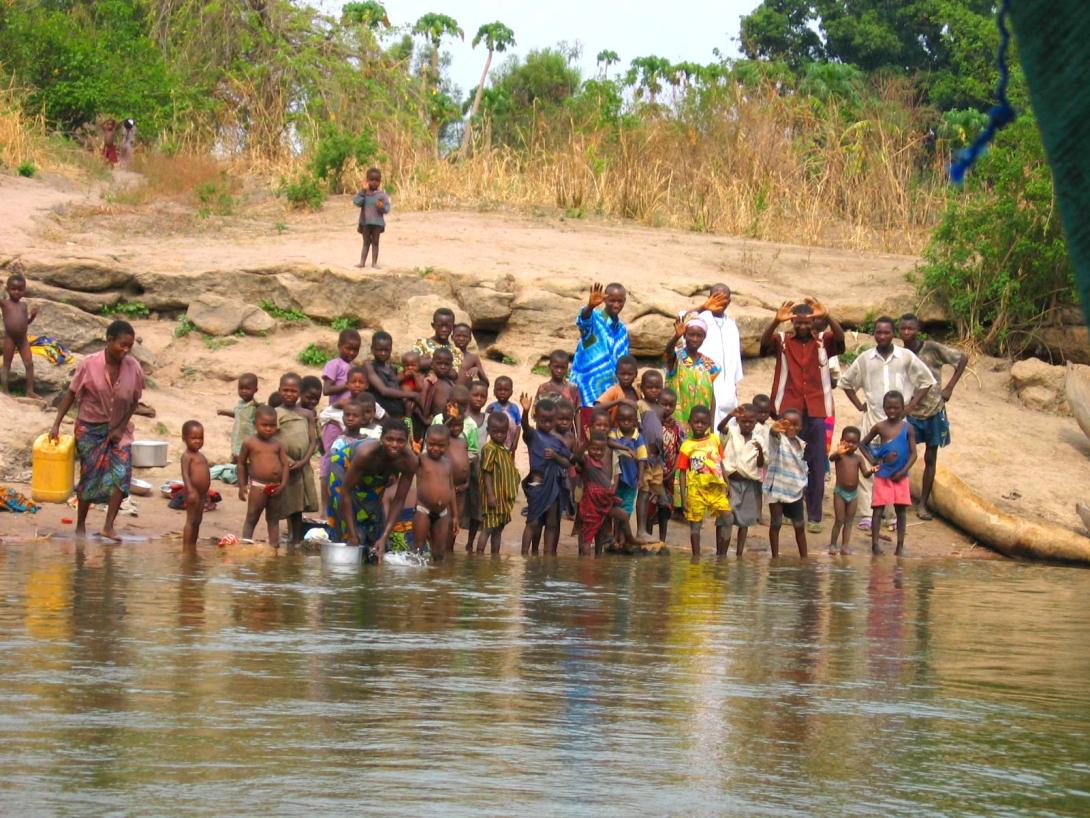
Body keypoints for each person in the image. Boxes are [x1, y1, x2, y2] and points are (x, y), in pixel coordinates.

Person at [49, 319, 144, 541]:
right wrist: (56, 423)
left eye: (129, 346)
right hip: (90, 428)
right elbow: (71, 394)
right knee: (89, 478)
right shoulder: (89, 363)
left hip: (119, 429)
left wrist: (120, 428)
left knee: (122, 474)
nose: (126, 349)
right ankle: (80, 525)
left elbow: (134, 402)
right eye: (122, 344)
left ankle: (108, 526)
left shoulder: (134, 367)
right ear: (109, 340)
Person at [839, 316, 935, 527]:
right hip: (872, 418)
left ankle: (891, 514)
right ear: (874, 334)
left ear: (893, 334)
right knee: (868, 464)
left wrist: (910, 406)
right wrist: (859, 405)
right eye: (878, 332)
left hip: (898, 425)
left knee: (894, 465)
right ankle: (867, 513)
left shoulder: (906, 357)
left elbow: (926, 381)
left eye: (886, 332)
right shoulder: (865, 358)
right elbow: (846, 382)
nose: (882, 336)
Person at [761, 298, 845, 532]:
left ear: (813, 322)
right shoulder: (783, 341)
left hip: (817, 410)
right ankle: (788, 510)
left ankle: (815, 516)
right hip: (789, 408)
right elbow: (763, 344)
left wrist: (828, 316)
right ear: (793, 323)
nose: (802, 327)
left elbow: (840, 339)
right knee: (785, 459)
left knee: (816, 462)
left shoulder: (823, 342)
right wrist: (775, 321)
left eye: (807, 322)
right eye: (798, 323)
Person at [899, 313, 968, 519]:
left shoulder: (931, 348)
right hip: (910, 411)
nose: (906, 333)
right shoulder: (901, 354)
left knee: (931, 457)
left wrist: (950, 387)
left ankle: (923, 504)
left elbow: (962, 358)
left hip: (934, 409)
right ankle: (898, 499)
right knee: (901, 454)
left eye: (910, 329)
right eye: (903, 329)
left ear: (918, 329)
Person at [333, 419, 419, 557]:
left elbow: (399, 500)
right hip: (345, 465)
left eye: (400, 441)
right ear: (381, 439)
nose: (394, 445)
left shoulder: (410, 462)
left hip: (375, 475)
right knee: (346, 527)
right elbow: (346, 491)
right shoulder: (366, 453)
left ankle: (370, 547)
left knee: (373, 520)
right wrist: (351, 534)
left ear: (407, 441)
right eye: (389, 439)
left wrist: (384, 536)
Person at [860, 391, 917, 556]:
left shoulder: (908, 428)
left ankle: (900, 545)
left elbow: (914, 454)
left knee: (901, 511)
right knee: (878, 510)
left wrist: (903, 471)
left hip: (901, 476)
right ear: (884, 408)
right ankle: (875, 545)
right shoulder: (880, 427)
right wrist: (873, 460)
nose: (892, 411)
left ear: (902, 408)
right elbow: (863, 444)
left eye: (896, 408)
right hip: (883, 475)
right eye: (888, 408)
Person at [678, 284, 742, 427]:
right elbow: (682, 319)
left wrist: (734, 389)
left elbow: (735, 360)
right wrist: (703, 307)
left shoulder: (732, 325)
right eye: (715, 297)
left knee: (726, 434)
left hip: (728, 391)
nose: (719, 301)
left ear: (729, 301)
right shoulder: (700, 319)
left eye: (723, 299)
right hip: (703, 386)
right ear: (709, 298)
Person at [519, 394, 573, 556]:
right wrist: (525, 411)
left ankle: (548, 556)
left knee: (551, 522)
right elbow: (525, 426)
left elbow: (567, 463)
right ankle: (524, 554)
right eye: (543, 420)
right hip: (537, 484)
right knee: (533, 521)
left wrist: (556, 457)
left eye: (551, 420)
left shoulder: (557, 442)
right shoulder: (533, 436)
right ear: (536, 417)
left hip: (554, 486)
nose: (547, 424)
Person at [677, 405, 731, 556]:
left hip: (716, 488)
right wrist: (683, 497)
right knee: (695, 525)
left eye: (703, 423)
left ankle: (722, 556)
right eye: (696, 422)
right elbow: (682, 473)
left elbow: (720, 462)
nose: (699, 425)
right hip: (696, 490)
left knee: (728, 517)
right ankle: (696, 558)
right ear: (690, 423)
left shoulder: (714, 439)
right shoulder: (686, 446)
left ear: (708, 424)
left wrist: (727, 482)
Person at [571, 282, 630, 415]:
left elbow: (625, 361)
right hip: (586, 389)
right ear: (605, 300)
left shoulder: (622, 330)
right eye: (612, 300)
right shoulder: (595, 319)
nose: (616, 305)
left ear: (624, 301)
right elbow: (583, 321)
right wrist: (590, 306)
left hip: (609, 395)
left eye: (620, 301)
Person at [577, 431, 639, 555]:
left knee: (623, 516)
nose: (598, 452)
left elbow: (607, 484)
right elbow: (577, 457)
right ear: (589, 448)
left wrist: (613, 497)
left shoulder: (603, 462)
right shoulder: (587, 461)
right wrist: (585, 443)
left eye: (601, 450)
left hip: (604, 501)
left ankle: (630, 539)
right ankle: (585, 564)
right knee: (587, 537)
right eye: (594, 449)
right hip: (591, 505)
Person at [275, 373, 319, 545]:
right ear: (279, 391)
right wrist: (285, 458)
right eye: (285, 390)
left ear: (300, 393)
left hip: (302, 465)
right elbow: (272, 439)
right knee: (287, 502)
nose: (289, 394)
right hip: (284, 465)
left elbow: (313, 440)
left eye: (293, 391)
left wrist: (304, 461)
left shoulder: (307, 414)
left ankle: (296, 539)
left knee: (299, 505)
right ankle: (284, 538)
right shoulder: (276, 413)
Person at [238, 405, 290, 546]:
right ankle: (246, 544)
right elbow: (241, 463)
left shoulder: (277, 444)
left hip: (276, 487)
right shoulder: (250, 443)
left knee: (273, 519)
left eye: (272, 425)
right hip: (258, 486)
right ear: (255, 424)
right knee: (252, 516)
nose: (268, 429)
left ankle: (274, 548)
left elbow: (285, 465)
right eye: (264, 425)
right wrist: (242, 485)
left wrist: (283, 484)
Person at [764, 408, 809, 558]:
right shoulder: (778, 440)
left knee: (799, 525)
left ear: (801, 426)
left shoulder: (801, 444)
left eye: (796, 425)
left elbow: (802, 466)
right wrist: (774, 430)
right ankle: (775, 557)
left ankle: (804, 557)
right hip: (777, 488)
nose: (792, 428)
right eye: (787, 424)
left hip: (795, 489)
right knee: (776, 523)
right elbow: (773, 434)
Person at [721, 404, 764, 557]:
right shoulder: (732, 432)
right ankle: (722, 554)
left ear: (755, 423)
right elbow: (721, 428)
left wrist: (760, 453)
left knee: (744, 522)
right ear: (738, 421)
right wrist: (730, 415)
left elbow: (760, 464)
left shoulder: (759, 439)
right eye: (744, 421)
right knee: (727, 517)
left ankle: (739, 553)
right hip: (731, 482)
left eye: (750, 422)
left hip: (748, 483)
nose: (747, 424)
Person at [666, 315, 721, 428]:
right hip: (677, 424)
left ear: (704, 338)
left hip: (701, 425)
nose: (695, 339)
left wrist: (711, 427)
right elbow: (668, 352)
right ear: (685, 335)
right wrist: (676, 337)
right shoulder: (677, 358)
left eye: (699, 335)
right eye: (691, 335)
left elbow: (711, 397)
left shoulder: (709, 364)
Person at [828, 426, 875, 555]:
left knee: (849, 521)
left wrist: (872, 470)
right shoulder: (840, 456)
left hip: (853, 494)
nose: (850, 444)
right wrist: (839, 452)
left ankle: (845, 546)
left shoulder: (858, 459)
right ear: (842, 441)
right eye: (847, 441)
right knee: (839, 520)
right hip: (840, 493)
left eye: (854, 442)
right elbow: (831, 458)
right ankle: (833, 544)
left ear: (858, 444)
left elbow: (865, 474)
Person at [414, 425, 459, 559]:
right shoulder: (421, 459)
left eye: (441, 445)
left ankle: (436, 578)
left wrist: (455, 516)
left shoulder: (448, 463)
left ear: (447, 445)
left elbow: (451, 489)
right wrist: (413, 452)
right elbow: (408, 464)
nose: (436, 448)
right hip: (423, 509)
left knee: (439, 553)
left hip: (443, 513)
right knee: (418, 550)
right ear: (426, 442)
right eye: (432, 444)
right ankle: (417, 578)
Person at [480, 412, 520, 554]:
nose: (499, 435)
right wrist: (490, 495)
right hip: (493, 498)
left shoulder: (503, 449)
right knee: (488, 528)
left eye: (503, 432)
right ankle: (479, 555)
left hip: (502, 499)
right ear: (488, 431)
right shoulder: (490, 449)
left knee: (498, 530)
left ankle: (494, 558)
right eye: (495, 432)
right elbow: (487, 472)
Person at [636, 369, 668, 541]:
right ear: (642, 388)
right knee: (643, 492)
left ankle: (651, 528)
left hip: (657, 459)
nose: (654, 390)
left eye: (658, 387)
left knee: (657, 493)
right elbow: (638, 429)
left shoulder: (661, 409)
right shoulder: (640, 405)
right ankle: (641, 530)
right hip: (645, 457)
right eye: (650, 387)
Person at [609, 402, 649, 543]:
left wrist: (641, 477)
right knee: (615, 507)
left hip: (631, 479)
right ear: (617, 420)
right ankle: (616, 537)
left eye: (629, 420)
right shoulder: (614, 433)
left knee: (626, 509)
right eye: (622, 419)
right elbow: (610, 442)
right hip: (616, 479)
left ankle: (621, 538)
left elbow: (642, 459)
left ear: (634, 421)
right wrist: (625, 449)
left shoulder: (638, 437)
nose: (625, 422)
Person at [648, 387, 683, 541]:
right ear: (657, 403)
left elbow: (680, 452)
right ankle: (647, 536)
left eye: (671, 405)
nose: (667, 408)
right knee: (649, 505)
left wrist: (673, 471)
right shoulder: (652, 423)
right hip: (652, 471)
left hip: (669, 474)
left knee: (665, 507)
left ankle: (662, 539)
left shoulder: (677, 428)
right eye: (664, 404)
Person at [1, 272, 39, 398]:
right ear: (8, 289)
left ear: (24, 291)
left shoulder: (23, 305)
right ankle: (5, 391)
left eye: (20, 290)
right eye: (14, 289)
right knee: (6, 364)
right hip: (10, 338)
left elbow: (25, 323)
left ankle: (29, 390)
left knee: (29, 364)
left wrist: (32, 317)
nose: (17, 292)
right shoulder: (5, 303)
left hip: (23, 339)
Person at [180, 420, 210, 547]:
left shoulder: (201, 456)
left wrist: (207, 492)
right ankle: (187, 548)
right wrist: (190, 490)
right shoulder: (187, 456)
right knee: (191, 520)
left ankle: (193, 544)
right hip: (193, 491)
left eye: (200, 438)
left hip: (202, 493)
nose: (197, 441)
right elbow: (185, 474)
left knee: (198, 520)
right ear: (184, 439)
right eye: (193, 438)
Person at [444, 412, 471, 552]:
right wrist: (449, 420)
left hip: (462, 488)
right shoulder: (445, 440)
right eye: (452, 425)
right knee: (447, 519)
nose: (456, 428)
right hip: (448, 487)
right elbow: (440, 431)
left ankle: (450, 549)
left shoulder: (463, 440)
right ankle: (443, 548)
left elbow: (467, 462)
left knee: (457, 519)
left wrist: (467, 483)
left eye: (459, 425)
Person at [217, 372, 258, 464]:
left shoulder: (254, 406)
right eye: (241, 388)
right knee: (236, 455)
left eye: (247, 389)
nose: (244, 391)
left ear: (255, 390)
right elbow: (238, 414)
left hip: (247, 437)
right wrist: (225, 412)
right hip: (238, 436)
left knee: (245, 458)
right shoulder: (240, 404)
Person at [354, 167, 391, 268]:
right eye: (372, 179)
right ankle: (362, 263)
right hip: (365, 222)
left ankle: (374, 263)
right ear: (367, 181)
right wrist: (362, 191)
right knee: (366, 243)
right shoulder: (364, 193)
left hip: (377, 223)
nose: (374, 182)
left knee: (375, 243)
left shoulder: (382, 195)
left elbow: (387, 209)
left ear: (380, 181)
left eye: (377, 180)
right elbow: (356, 202)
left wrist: (382, 206)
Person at [594, 355, 640, 424]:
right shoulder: (614, 390)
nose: (626, 377)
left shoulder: (637, 392)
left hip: (634, 431)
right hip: (615, 431)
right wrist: (619, 401)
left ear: (635, 374)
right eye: (622, 374)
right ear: (616, 374)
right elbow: (596, 408)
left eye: (629, 374)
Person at [413, 307, 462, 371]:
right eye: (440, 325)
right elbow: (412, 364)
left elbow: (454, 373)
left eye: (448, 326)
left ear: (453, 327)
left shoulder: (456, 352)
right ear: (433, 325)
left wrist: (428, 362)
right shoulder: (421, 344)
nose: (444, 329)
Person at [322, 329, 362, 405]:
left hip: (351, 410)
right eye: (348, 348)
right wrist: (347, 385)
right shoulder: (334, 364)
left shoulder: (353, 367)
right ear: (339, 345)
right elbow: (326, 390)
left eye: (355, 350)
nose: (352, 352)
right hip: (336, 410)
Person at [485, 375, 521, 453]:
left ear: (511, 392)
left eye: (506, 390)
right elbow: (486, 426)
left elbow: (518, 426)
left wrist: (515, 442)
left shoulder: (514, 408)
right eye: (499, 389)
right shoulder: (491, 408)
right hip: (494, 446)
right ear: (494, 391)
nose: (502, 392)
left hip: (510, 445)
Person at [423, 347, 457, 419]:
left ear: (451, 366)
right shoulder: (430, 381)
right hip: (434, 425)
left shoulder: (451, 383)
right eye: (439, 363)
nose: (443, 367)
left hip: (448, 424)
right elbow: (422, 405)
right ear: (432, 364)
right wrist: (424, 420)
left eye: (446, 364)